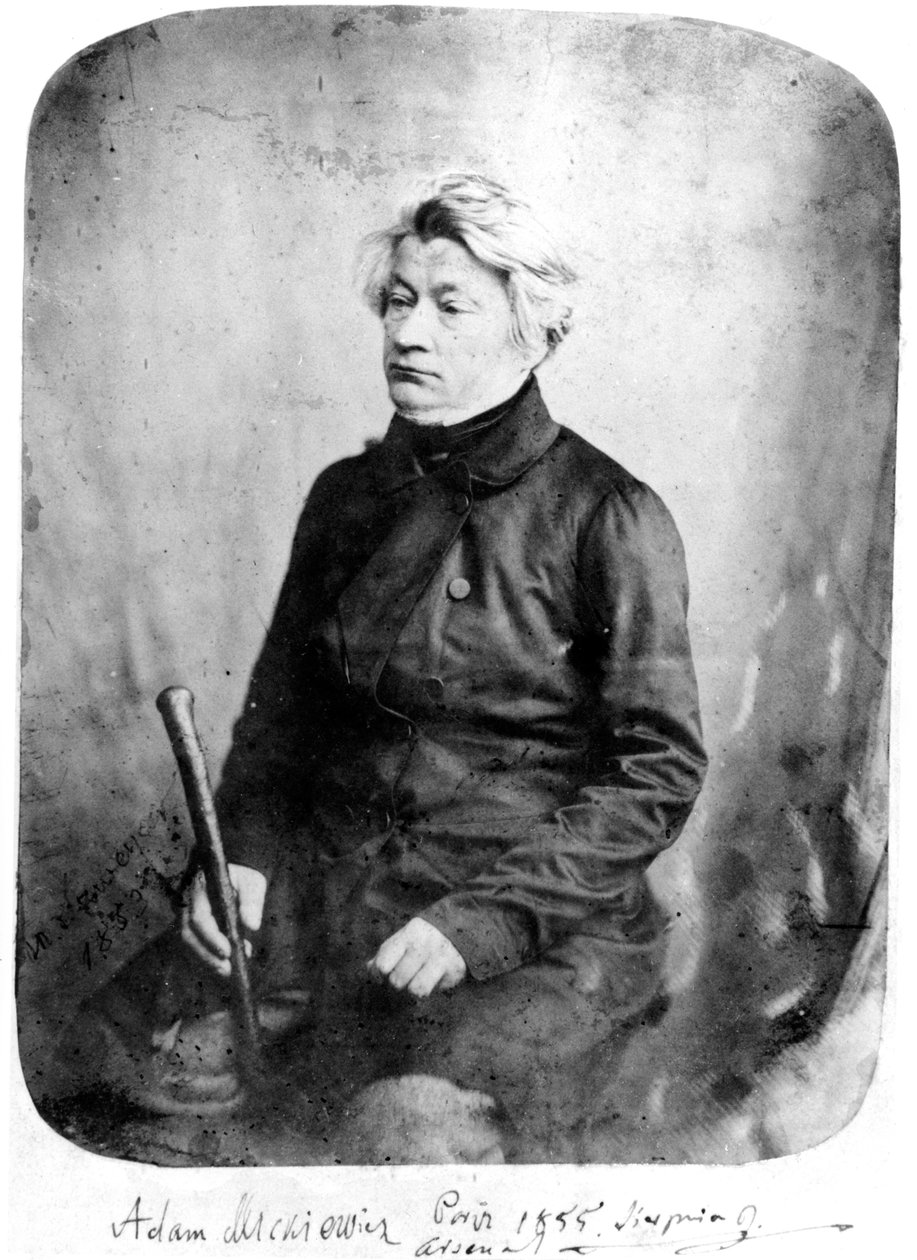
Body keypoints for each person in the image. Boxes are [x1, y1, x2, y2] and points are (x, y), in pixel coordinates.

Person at [59, 173, 707, 1162]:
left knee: (402, 1137)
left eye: (450, 307)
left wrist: (482, 925)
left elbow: (656, 769)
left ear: (532, 332)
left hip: (535, 927)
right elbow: (280, 726)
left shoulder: (607, 514)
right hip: (329, 898)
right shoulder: (344, 498)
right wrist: (242, 860)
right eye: (399, 301)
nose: (408, 333)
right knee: (95, 1066)